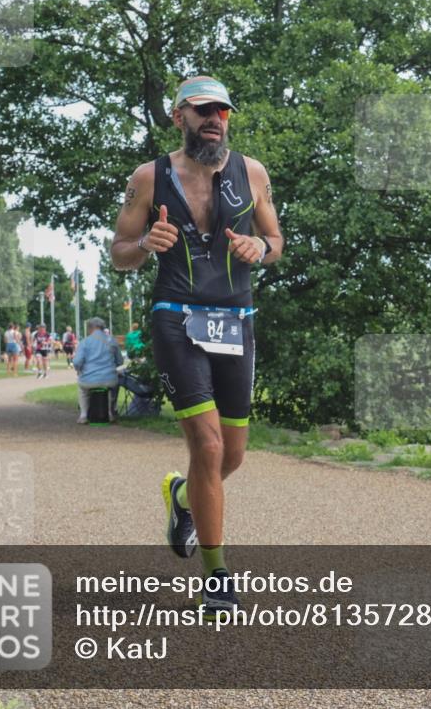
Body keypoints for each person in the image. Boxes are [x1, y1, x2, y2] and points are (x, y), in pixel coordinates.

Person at [110, 75, 282, 618]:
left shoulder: (252, 173)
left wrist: (261, 244)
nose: (215, 119)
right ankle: (217, 578)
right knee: (207, 449)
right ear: (179, 115)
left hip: (237, 319)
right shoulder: (148, 177)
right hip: (175, 316)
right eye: (204, 109)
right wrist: (143, 243)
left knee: (231, 456)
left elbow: (276, 240)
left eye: (223, 112)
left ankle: (183, 499)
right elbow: (118, 252)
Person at [72, 317, 124, 424]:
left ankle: (83, 415)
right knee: (112, 387)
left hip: (88, 380)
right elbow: (120, 361)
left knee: (83, 390)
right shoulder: (112, 341)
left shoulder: (85, 342)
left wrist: (80, 370)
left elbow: (77, 362)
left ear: (91, 328)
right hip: (109, 379)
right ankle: (110, 413)